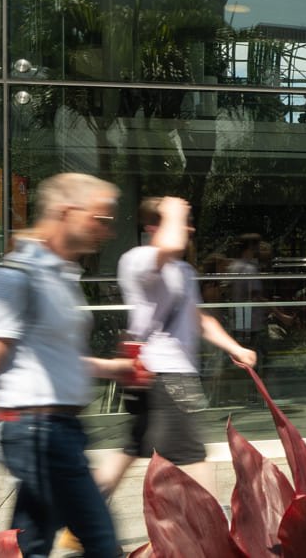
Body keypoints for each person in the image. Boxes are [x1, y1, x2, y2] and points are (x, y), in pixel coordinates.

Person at [0, 173, 139, 558]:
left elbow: (52, 357)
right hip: (37, 431)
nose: (105, 231)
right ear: (67, 212)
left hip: (57, 430)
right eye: (99, 219)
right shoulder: (14, 278)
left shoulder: (59, 276)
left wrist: (114, 369)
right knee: (101, 541)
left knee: (30, 542)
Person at [95, 196, 258, 499]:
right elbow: (169, 245)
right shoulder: (139, 258)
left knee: (133, 445)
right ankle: (215, 532)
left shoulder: (182, 270)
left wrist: (234, 347)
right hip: (166, 374)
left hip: (160, 373)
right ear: (154, 226)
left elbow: (198, 318)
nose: (189, 229)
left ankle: (82, 520)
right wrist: (174, 210)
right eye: (183, 222)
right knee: (192, 456)